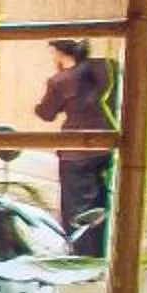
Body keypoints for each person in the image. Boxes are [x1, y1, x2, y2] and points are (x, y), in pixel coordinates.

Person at [34, 38, 118, 252]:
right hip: (107, 146)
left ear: (60, 53)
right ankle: (101, 250)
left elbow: (46, 113)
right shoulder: (107, 69)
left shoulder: (61, 80)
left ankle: (81, 254)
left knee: (77, 205)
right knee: (101, 200)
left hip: (76, 152)